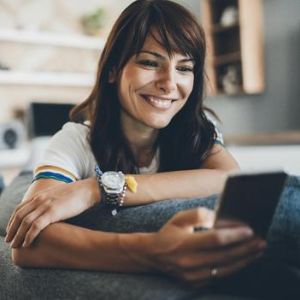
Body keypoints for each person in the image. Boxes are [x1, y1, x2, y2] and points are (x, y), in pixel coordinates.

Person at [5, 0, 298, 297]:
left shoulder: (198, 128)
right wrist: (153, 251)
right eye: (149, 62)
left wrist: (96, 190)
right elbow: (26, 246)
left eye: (184, 68)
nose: (169, 83)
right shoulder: (77, 139)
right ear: (113, 70)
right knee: (15, 197)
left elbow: (227, 177)